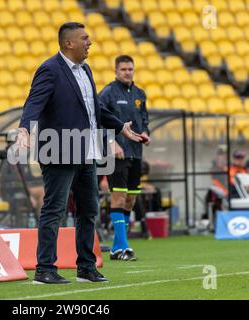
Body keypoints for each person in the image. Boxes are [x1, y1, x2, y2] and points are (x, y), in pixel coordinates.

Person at [16, 22, 143, 284]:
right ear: (68, 43)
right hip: (59, 150)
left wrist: (120, 127)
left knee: (89, 210)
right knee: (55, 210)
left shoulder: (85, 69)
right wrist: (24, 129)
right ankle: (45, 269)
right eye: (85, 38)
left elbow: (94, 108)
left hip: (88, 151)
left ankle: (86, 266)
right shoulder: (49, 69)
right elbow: (33, 102)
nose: (90, 42)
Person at [98, 55, 150, 261]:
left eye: (130, 69)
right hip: (116, 153)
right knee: (118, 196)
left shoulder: (140, 94)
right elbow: (99, 120)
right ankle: (124, 247)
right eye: (123, 69)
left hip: (136, 152)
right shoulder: (108, 93)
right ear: (116, 71)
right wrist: (112, 142)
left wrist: (146, 132)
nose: (127, 72)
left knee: (131, 198)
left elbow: (144, 118)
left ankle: (116, 247)